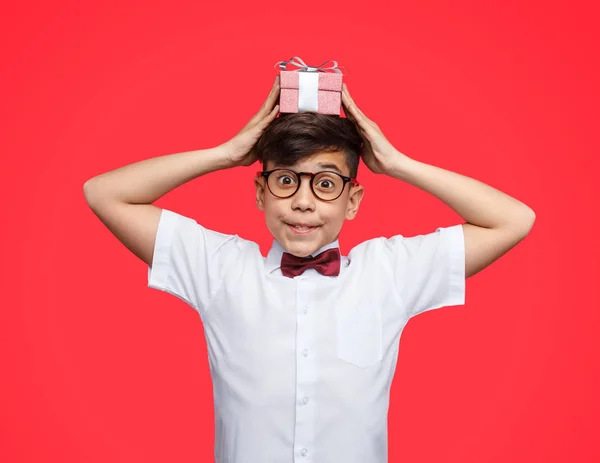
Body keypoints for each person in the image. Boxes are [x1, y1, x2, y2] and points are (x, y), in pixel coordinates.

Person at [83, 75, 535, 463]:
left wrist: (397, 164)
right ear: (260, 193)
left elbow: (514, 220)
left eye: (325, 183)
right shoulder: (218, 269)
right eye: (285, 181)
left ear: (352, 199)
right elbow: (104, 193)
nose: (303, 201)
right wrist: (226, 153)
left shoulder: (390, 274)